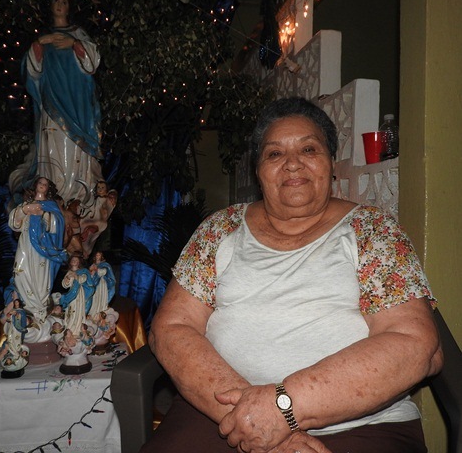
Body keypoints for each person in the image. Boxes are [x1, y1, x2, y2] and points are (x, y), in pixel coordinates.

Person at [144, 97, 443, 453]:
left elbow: (413, 342)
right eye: (274, 153)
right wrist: (253, 417)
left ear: (331, 163)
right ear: (258, 171)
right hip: (219, 413)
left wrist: (283, 408)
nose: (292, 163)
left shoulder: (373, 231)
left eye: (309, 149)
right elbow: (172, 327)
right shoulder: (219, 230)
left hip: (360, 426)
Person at [11, 0, 103, 204]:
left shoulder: (78, 34)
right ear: (50, 6)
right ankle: (52, 196)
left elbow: (92, 64)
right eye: (56, 0)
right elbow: (32, 71)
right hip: (52, 103)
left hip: (77, 105)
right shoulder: (45, 37)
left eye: (64, 1)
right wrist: (39, 43)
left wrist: (74, 44)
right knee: (52, 148)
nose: (60, 4)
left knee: (75, 150)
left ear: (69, 7)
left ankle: (77, 197)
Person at [5, 176, 68, 327]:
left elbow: (58, 224)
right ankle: (25, 306)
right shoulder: (26, 204)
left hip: (43, 247)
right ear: (35, 185)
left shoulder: (51, 206)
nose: (42, 185)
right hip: (26, 244)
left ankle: (39, 308)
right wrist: (25, 210)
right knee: (20, 272)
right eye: (40, 182)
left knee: (41, 276)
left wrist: (43, 214)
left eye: (45, 184)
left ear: (48, 189)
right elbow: (14, 223)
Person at [60, 254, 94, 336]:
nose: (74, 261)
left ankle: (77, 328)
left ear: (79, 263)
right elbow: (64, 285)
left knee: (78, 309)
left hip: (79, 293)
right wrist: (68, 279)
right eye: (72, 260)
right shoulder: (69, 272)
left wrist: (76, 276)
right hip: (71, 293)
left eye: (76, 260)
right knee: (70, 310)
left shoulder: (83, 271)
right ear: (70, 262)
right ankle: (70, 327)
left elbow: (83, 279)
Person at [88, 251, 115, 318]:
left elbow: (104, 272)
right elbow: (90, 274)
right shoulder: (92, 265)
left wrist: (97, 269)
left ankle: (101, 310)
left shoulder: (105, 264)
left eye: (99, 255)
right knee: (95, 297)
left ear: (101, 256)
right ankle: (93, 312)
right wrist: (91, 272)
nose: (98, 256)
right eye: (97, 255)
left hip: (101, 283)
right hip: (94, 283)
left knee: (101, 296)